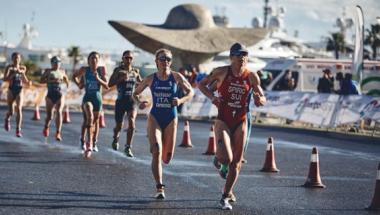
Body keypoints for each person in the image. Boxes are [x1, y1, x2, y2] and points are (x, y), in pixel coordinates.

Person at [198, 43, 266, 210]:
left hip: (241, 120)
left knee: (236, 162)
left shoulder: (252, 76)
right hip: (223, 119)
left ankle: (225, 196)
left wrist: (259, 100)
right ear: (231, 57)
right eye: (238, 55)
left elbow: (262, 96)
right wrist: (212, 98)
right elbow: (202, 85)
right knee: (226, 158)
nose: (242, 58)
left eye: (245, 55)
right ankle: (219, 158)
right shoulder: (221, 71)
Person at [133, 48, 194, 199]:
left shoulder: (176, 77)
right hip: (155, 117)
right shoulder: (150, 79)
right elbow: (135, 93)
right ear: (156, 62)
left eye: (167, 59)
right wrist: (139, 102)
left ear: (170, 62)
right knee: (157, 151)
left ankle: (159, 153)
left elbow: (191, 92)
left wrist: (180, 100)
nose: (165, 61)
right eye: (162, 59)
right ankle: (160, 187)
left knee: (167, 158)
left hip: (171, 119)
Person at [73, 51, 109, 154]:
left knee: (95, 122)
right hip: (87, 97)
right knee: (89, 118)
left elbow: (107, 85)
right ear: (88, 61)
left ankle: (94, 142)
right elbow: (74, 76)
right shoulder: (84, 70)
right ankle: (86, 142)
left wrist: (98, 78)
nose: (94, 60)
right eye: (92, 58)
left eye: (96, 58)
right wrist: (79, 85)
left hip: (97, 98)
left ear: (98, 61)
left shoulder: (101, 70)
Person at [108, 50, 142, 157]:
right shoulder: (118, 70)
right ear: (122, 59)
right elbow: (110, 84)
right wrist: (121, 79)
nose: (128, 60)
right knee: (119, 126)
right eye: (126, 58)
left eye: (130, 58)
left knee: (132, 123)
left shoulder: (135, 71)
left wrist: (140, 99)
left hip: (131, 101)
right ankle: (115, 138)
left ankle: (128, 147)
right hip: (121, 101)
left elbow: (141, 84)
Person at [40, 56, 70, 141]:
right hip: (50, 94)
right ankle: (46, 127)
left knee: (59, 112)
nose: (57, 64)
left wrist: (67, 86)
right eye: (55, 63)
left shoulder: (62, 71)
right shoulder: (48, 71)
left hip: (59, 94)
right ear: (52, 63)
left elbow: (67, 80)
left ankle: (58, 132)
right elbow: (41, 80)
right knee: (50, 116)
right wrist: (50, 81)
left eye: (58, 63)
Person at [3, 52, 31, 137]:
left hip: (19, 90)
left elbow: (24, 79)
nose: (17, 59)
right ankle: (7, 118)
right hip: (11, 90)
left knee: (19, 109)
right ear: (12, 59)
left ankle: (18, 129)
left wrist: (28, 82)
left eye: (18, 58)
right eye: (15, 58)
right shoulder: (9, 67)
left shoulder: (23, 68)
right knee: (11, 112)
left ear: (20, 59)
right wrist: (14, 74)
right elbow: (5, 79)